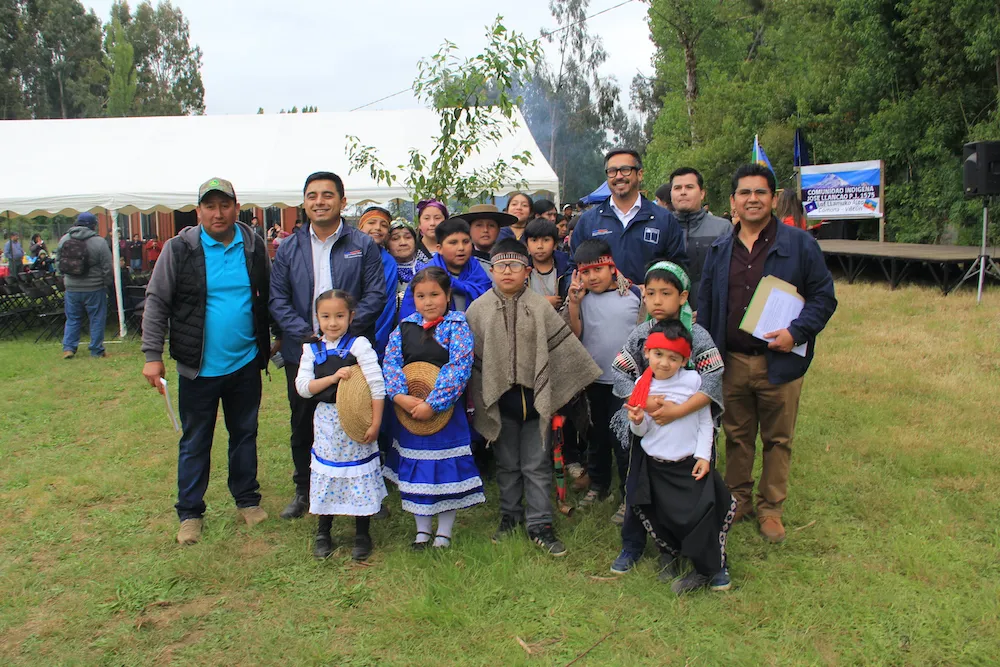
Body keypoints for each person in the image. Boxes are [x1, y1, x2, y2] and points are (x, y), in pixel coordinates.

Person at [699, 163, 837, 543]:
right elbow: (709, 305)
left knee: (778, 438)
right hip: (733, 362)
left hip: (780, 361)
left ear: (774, 199)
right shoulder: (720, 248)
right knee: (737, 436)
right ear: (733, 201)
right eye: (745, 193)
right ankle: (738, 499)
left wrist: (796, 332)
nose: (752, 199)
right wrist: (708, 357)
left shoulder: (799, 244)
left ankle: (771, 508)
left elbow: (824, 297)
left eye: (761, 192)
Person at [141, 178, 272, 545]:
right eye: (210, 206)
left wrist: (275, 338)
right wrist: (152, 356)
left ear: (236, 206)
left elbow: (268, 293)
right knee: (195, 440)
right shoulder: (179, 248)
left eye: (224, 205)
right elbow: (156, 301)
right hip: (198, 367)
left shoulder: (253, 245)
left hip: (245, 363)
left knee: (244, 434)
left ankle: (247, 500)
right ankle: (190, 513)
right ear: (198, 211)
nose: (218, 213)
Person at [466, 238, 601, 556]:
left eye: (514, 266)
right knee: (508, 465)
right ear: (492, 271)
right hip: (500, 403)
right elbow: (471, 363)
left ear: (527, 271)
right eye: (501, 266)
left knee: (537, 465)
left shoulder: (541, 307)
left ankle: (540, 524)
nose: (507, 272)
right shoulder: (478, 310)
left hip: (537, 401)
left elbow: (564, 352)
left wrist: (564, 398)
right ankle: (510, 517)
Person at [269, 171, 387, 521]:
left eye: (327, 195)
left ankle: (367, 490)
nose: (319, 202)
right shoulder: (289, 248)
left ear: (342, 201)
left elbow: (376, 293)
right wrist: (309, 334)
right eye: (312, 196)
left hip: (352, 351)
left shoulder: (361, 244)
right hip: (305, 349)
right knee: (304, 420)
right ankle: (304, 489)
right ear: (304, 202)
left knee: (358, 419)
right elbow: (278, 300)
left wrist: (345, 333)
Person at [608, 261, 726, 579]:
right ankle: (632, 545)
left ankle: (695, 553)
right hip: (645, 426)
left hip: (689, 430)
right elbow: (619, 370)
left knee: (694, 494)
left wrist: (677, 411)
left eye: (666, 293)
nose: (657, 301)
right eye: (650, 293)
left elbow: (714, 380)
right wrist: (642, 401)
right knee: (638, 484)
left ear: (683, 297)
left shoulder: (696, 335)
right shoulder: (641, 334)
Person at [624, 319, 734, 595]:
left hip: (688, 465)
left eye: (673, 358)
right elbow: (641, 431)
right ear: (647, 353)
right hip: (656, 466)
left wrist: (703, 456)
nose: (664, 363)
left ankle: (711, 568)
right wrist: (637, 419)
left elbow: (704, 422)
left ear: (685, 359)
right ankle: (669, 556)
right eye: (658, 354)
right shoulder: (641, 385)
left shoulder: (693, 382)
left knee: (700, 515)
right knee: (664, 516)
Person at [383, 267, 485, 549]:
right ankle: (422, 529)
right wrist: (400, 396)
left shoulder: (457, 326)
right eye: (420, 296)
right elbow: (390, 363)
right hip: (409, 413)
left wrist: (434, 404)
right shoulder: (404, 328)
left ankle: (445, 530)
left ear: (447, 295)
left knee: (444, 469)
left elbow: (459, 368)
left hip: (446, 414)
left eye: (434, 295)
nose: (428, 302)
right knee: (418, 468)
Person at [294, 289, 386, 561]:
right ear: (317, 318)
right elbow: (303, 388)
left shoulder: (359, 345)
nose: (332, 323)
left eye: (339, 316)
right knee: (327, 473)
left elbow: (376, 384)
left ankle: (362, 532)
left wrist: (376, 422)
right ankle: (324, 530)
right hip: (326, 422)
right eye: (325, 316)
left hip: (357, 420)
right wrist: (333, 378)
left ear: (350, 316)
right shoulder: (310, 349)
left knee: (359, 473)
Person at [566, 239, 644, 522]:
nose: (591, 277)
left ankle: (628, 494)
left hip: (625, 381)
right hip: (594, 379)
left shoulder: (633, 294)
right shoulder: (580, 296)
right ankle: (598, 485)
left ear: (611, 266)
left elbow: (642, 333)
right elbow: (575, 334)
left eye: (597, 270)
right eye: (584, 272)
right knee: (595, 436)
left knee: (622, 439)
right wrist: (574, 305)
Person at [570, 149, 687, 285]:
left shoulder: (664, 219)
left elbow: (679, 268)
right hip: (601, 305)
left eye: (625, 170)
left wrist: (652, 291)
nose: (619, 176)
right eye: (612, 171)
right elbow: (572, 266)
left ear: (640, 174)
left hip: (650, 304)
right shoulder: (589, 221)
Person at [398, 217, 491, 320]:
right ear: (439, 248)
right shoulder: (426, 275)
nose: (461, 248)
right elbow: (409, 316)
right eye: (453, 242)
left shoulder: (480, 271)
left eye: (465, 242)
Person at [669, 167, 731, 309]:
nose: (683, 192)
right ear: (671, 193)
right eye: (677, 188)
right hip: (669, 316)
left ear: (702, 193)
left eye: (689, 187)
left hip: (712, 312)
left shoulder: (723, 229)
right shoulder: (662, 227)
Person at [57, 213, 113, 359]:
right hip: (95, 287)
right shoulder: (99, 242)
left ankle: (68, 348)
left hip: (72, 287)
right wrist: (106, 283)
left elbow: (58, 262)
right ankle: (96, 350)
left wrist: (65, 280)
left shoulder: (64, 239)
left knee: (73, 318)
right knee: (96, 318)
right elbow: (107, 266)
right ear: (93, 225)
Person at [357, 206, 399, 359]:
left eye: (384, 225)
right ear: (360, 226)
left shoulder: (388, 262)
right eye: (371, 223)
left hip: (375, 337)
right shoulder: (347, 254)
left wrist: (377, 341)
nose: (377, 228)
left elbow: (385, 306)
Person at [524, 218, 571, 309]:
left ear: (555, 244)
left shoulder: (567, 266)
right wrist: (541, 303)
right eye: (534, 240)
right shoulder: (522, 269)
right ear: (527, 244)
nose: (540, 246)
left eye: (546, 240)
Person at [459, 204, 514, 271]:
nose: (485, 230)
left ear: (498, 230)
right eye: (479, 225)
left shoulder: (509, 258)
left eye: (491, 225)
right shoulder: (461, 259)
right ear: (469, 230)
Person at [387, 218, 419, 308]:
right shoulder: (382, 271)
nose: (403, 243)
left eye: (408, 237)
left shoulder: (426, 269)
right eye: (395, 238)